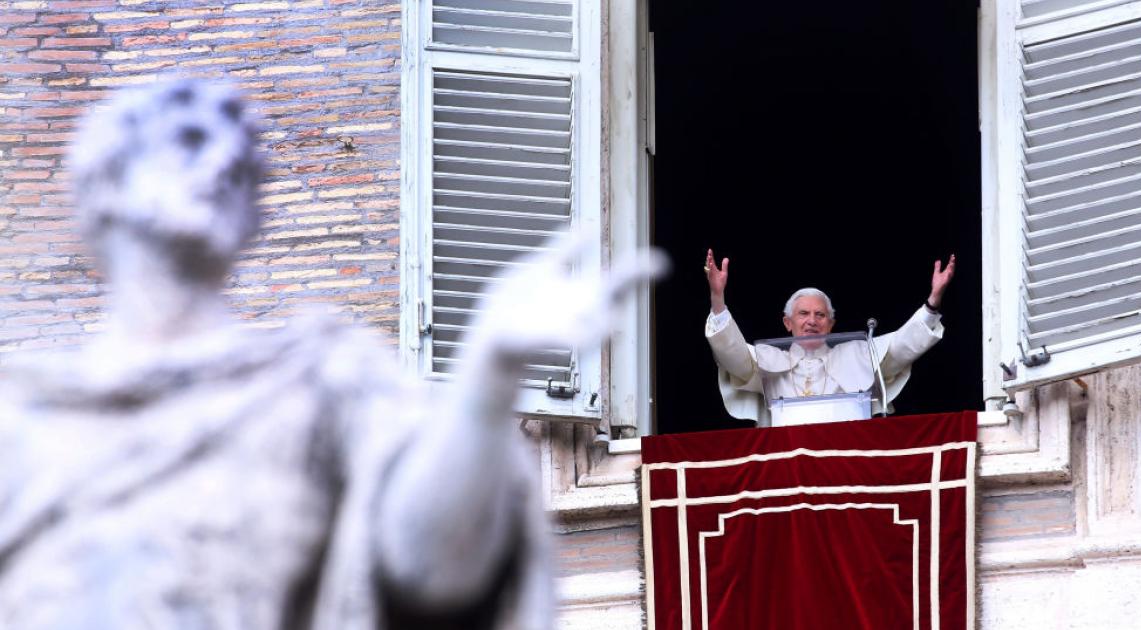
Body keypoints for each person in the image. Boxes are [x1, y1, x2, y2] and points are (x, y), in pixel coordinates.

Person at [0, 80, 663, 630]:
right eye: (190, 142)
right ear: (107, 180)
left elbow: (433, 575)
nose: (223, 165)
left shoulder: (319, 385)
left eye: (243, 166)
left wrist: (489, 376)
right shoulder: (18, 417)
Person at [703, 248, 955, 425]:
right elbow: (734, 357)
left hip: (848, 456)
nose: (812, 321)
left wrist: (932, 303)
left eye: (820, 315)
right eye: (803, 314)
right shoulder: (768, 360)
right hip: (789, 461)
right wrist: (718, 300)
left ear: (831, 324)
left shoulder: (857, 354)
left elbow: (899, 349)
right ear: (787, 323)